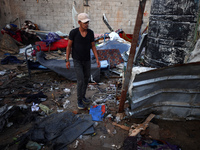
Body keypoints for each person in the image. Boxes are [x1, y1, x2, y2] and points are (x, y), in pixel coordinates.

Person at [66, 13, 100, 109]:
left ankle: (83, 96)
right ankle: (79, 100)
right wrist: (67, 60)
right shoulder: (74, 33)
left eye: (87, 22)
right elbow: (68, 46)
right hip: (77, 60)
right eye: (84, 23)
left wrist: (97, 59)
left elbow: (93, 46)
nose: (86, 24)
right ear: (79, 22)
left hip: (87, 60)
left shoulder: (90, 33)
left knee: (86, 79)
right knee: (80, 80)